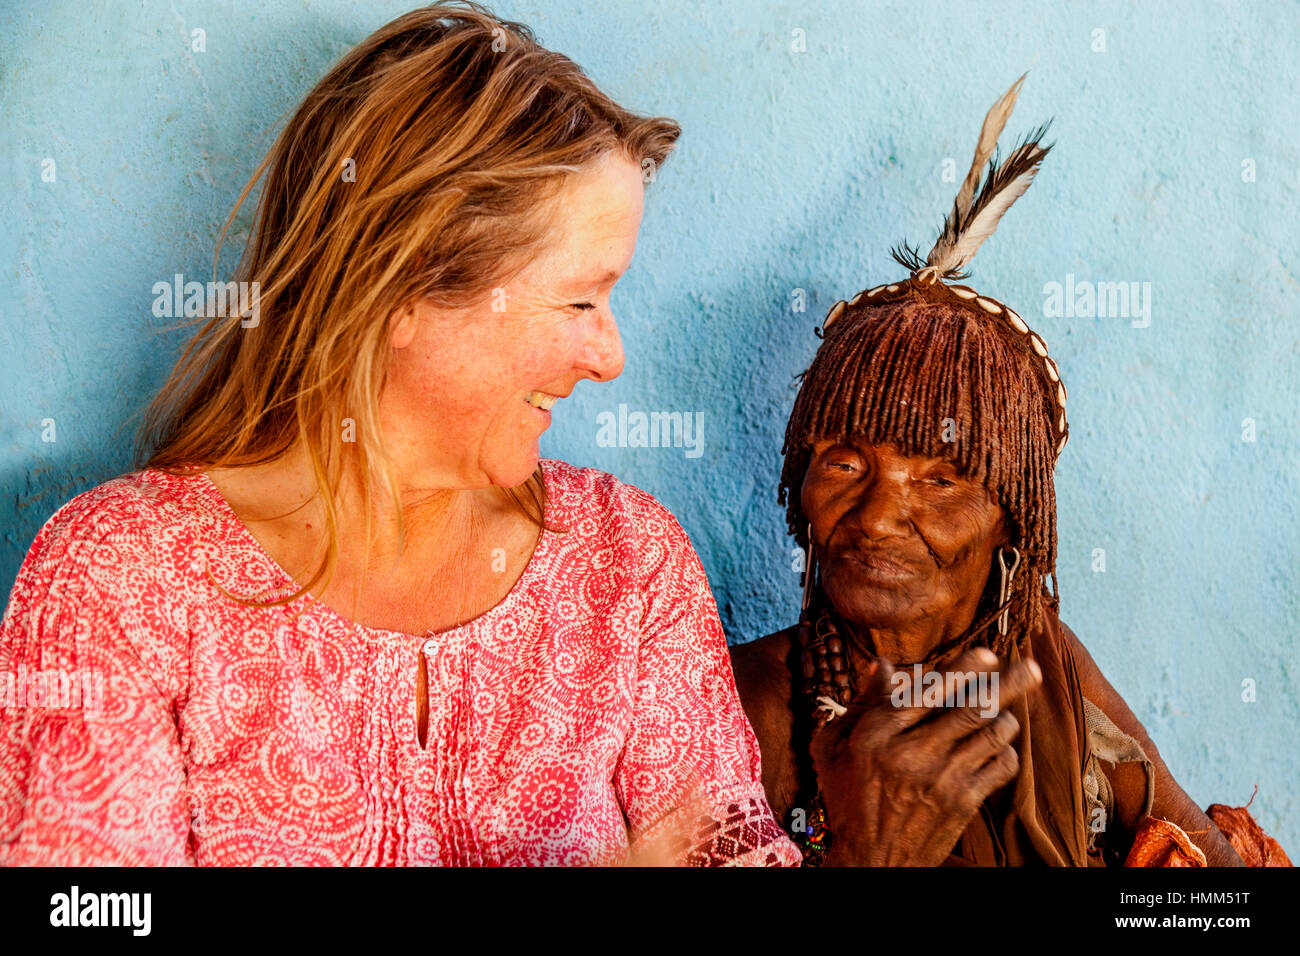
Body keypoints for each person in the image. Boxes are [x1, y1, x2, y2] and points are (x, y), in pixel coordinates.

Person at [0, 2, 809, 866]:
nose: (609, 357)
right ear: (403, 290)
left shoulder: (630, 565)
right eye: (579, 299)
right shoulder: (121, 582)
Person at [731, 76, 1257, 866]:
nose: (873, 516)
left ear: (1014, 514)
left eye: (940, 479)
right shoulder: (747, 706)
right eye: (843, 461)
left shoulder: (1046, 663)